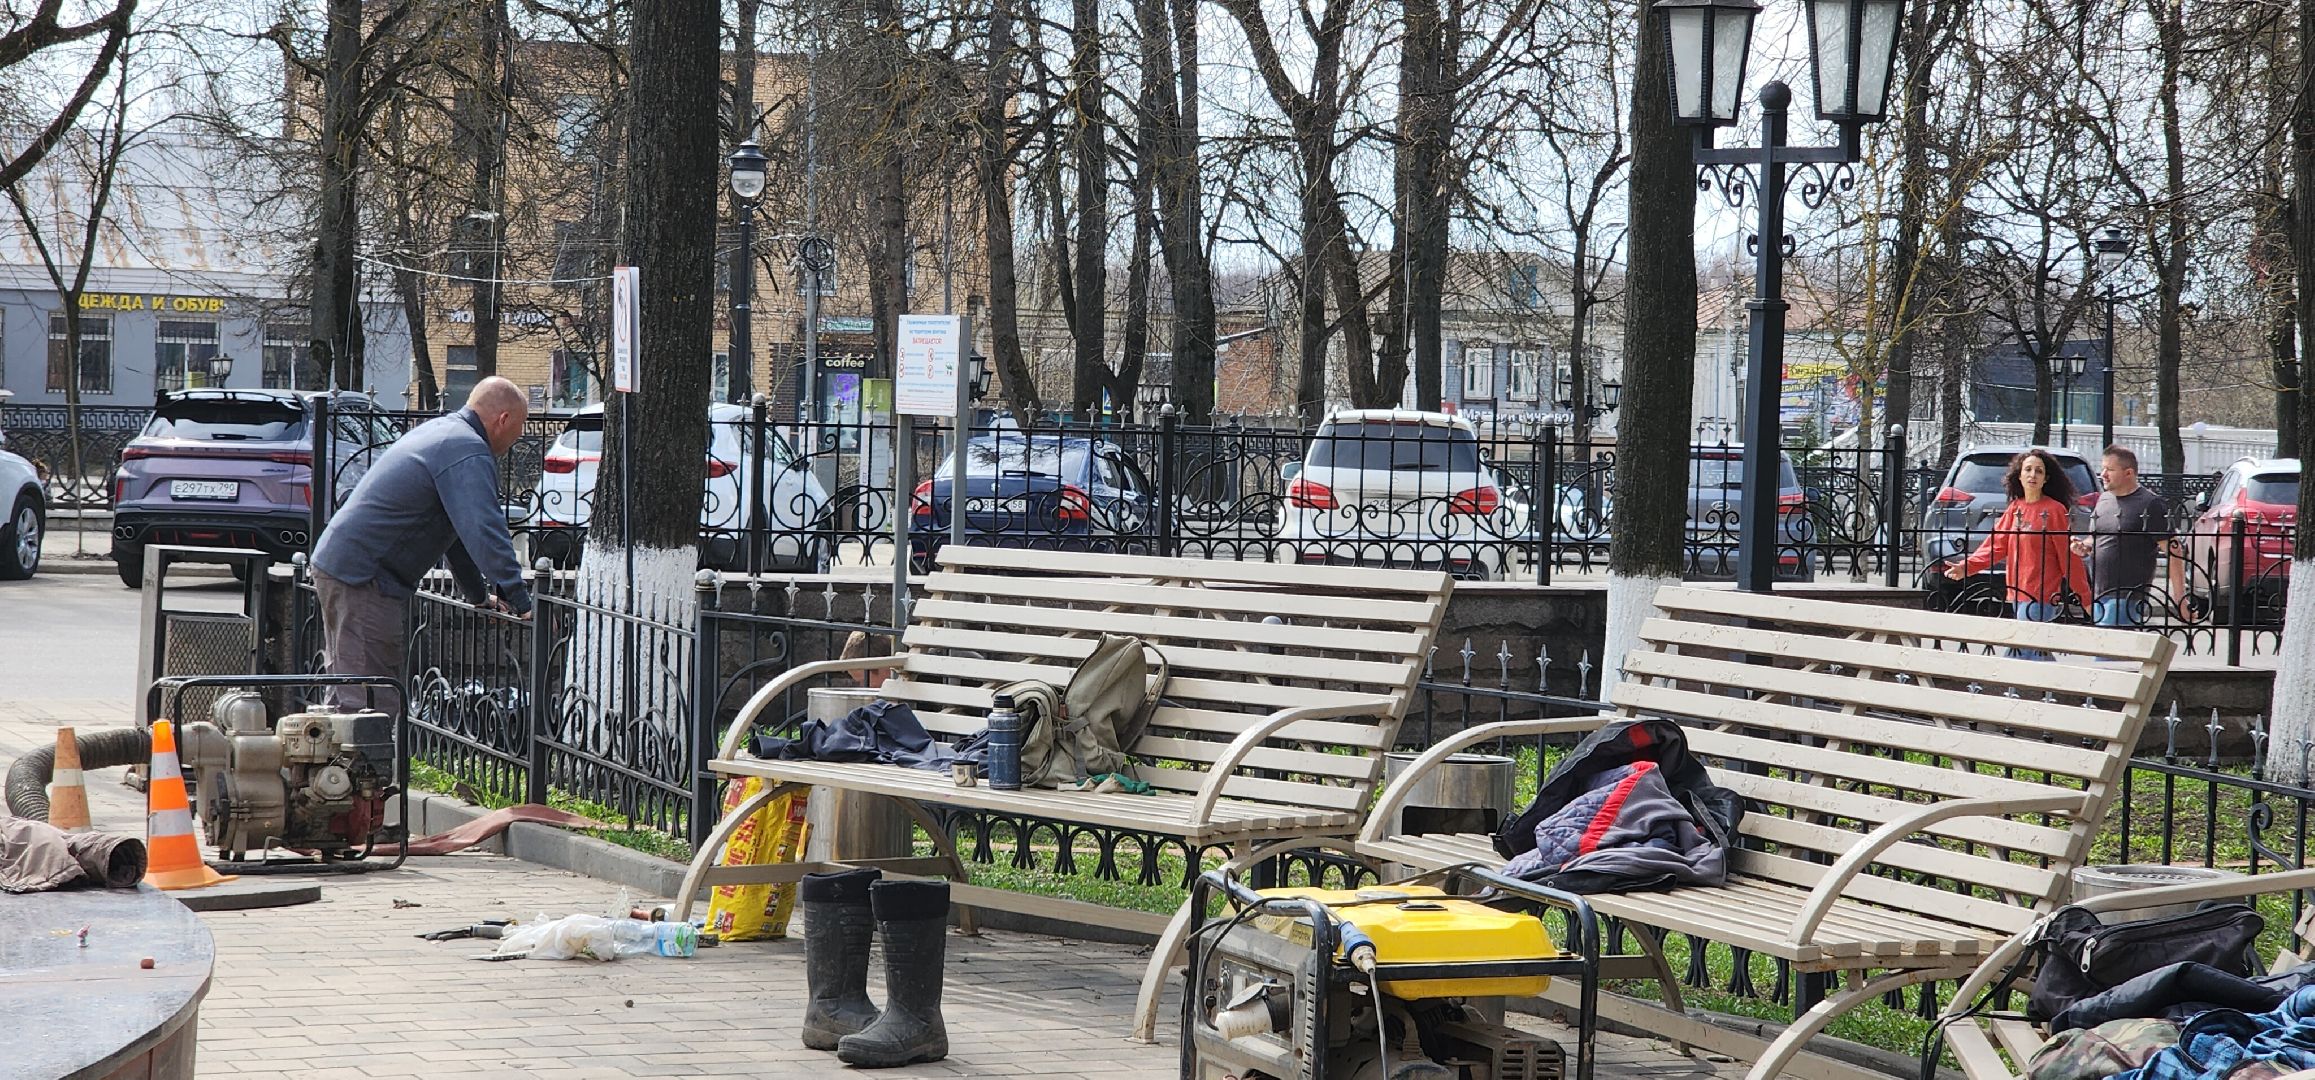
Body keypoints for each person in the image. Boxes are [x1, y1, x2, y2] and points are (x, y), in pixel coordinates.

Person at [309, 377, 534, 712]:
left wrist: (478, 596)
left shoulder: (445, 434)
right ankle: (365, 764)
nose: (517, 438)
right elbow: (484, 528)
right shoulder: (466, 448)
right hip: (365, 576)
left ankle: (338, 762)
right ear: (503, 419)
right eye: (519, 428)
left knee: (350, 685)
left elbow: (458, 533)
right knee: (368, 699)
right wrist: (520, 599)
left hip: (348, 566)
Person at [1945, 448, 2088, 659]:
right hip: (2016, 594)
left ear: (2046, 478)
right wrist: (1966, 567)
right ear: (2019, 475)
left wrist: (2084, 597)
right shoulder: (2015, 508)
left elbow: (2068, 558)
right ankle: (2058, 687)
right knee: (2034, 653)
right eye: (2028, 469)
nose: (2032, 475)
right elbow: (1996, 546)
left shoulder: (2054, 510)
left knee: (2018, 653)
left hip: (2041, 595)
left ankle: (2004, 687)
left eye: (2038, 471)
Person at [2069, 445, 2185, 628]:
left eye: (2110, 469)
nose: (2103, 474)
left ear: (2129, 473)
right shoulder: (2104, 499)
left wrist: (2180, 599)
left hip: (2127, 597)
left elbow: (2174, 551)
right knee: (2105, 651)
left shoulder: (2150, 503)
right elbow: (2097, 538)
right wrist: (2084, 546)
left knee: (2108, 655)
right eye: (2103, 468)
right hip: (2099, 594)